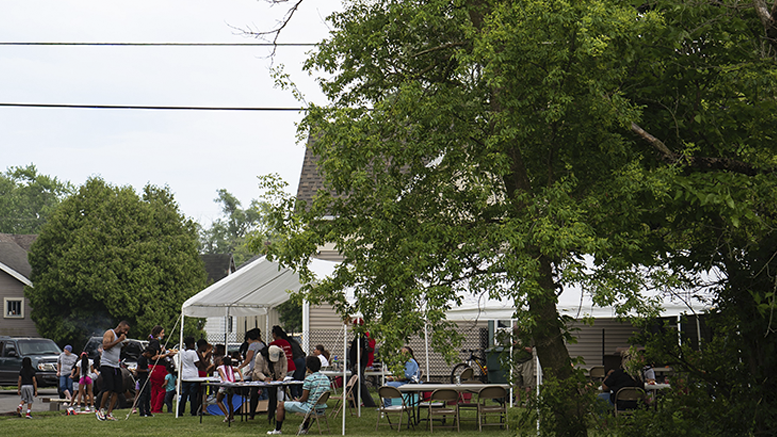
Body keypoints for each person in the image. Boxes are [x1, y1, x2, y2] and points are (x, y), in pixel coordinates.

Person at [267, 355, 330, 435]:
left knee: (281, 405)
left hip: (311, 409)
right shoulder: (325, 378)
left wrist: (297, 401)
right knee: (307, 404)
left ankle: (277, 430)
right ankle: (304, 428)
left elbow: (304, 398)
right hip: (321, 408)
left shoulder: (309, 379)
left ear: (308, 367)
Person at [97, 320, 130, 421]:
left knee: (117, 390)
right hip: (106, 364)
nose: (125, 333)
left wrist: (124, 344)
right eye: (125, 330)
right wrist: (119, 340)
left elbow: (117, 349)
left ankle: (109, 413)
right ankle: (100, 410)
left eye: (127, 331)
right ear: (119, 326)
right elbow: (105, 347)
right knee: (108, 388)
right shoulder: (110, 333)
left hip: (116, 366)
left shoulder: (121, 337)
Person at [252, 345, 288, 422]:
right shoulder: (260, 356)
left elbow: (285, 366)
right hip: (260, 377)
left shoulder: (282, 354)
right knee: (254, 394)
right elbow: (257, 370)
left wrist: (281, 377)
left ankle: (271, 415)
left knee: (273, 395)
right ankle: (251, 414)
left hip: (275, 376)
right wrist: (264, 378)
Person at [237, 328, 266, 417]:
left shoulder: (252, 346)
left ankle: (251, 413)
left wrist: (239, 367)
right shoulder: (262, 345)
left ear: (250, 338)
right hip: (263, 370)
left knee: (254, 392)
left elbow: (248, 359)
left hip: (256, 372)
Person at [148, 325, 177, 413]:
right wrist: (166, 355)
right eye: (162, 333)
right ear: (157, 334)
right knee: (162, 388)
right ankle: (157, 408)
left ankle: (153, 407)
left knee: (154, 389)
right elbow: (154, 357)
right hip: (158, 368)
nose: (163, 335)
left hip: (153, 367)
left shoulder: (153, 342)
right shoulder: (155, 343)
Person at [348, 327, 376, 408]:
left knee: (358, 382)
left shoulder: (360, 336)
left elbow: (360, 349)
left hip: (359, 362)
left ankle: (368, 402)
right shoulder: (363, 337)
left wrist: (357, 361)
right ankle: (355, 402)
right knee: (357, 382)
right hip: (359, 362)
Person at [216, 354, 244, 422]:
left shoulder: (220, 367)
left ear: (222, 362)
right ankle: (232, 417)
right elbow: (238, 370)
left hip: (224, 386)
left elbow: (221, 373)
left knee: (218, 400)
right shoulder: (231, 367)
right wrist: (241, 378)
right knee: (229, 401)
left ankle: (227, 415)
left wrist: (223, 379)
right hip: (232, 385)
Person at [179, 336, 201, 416]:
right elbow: (197, 364)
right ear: (192, 344)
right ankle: (193, 411)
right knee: (193, 395)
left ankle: (180, 410)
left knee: (184, 394)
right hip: (193, 375)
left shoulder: (181, 351)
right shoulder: (193, 353)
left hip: (185, 375)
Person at [134, 347, 154, 417]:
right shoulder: (141, 359)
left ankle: (148, 411)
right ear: (147, 353)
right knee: (143, 395)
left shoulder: (146, 358)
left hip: (146, 377)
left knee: (148, 395)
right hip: (142, 378)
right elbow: (137, 369)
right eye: (150, 355)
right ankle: (141, 412)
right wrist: (146, 370)